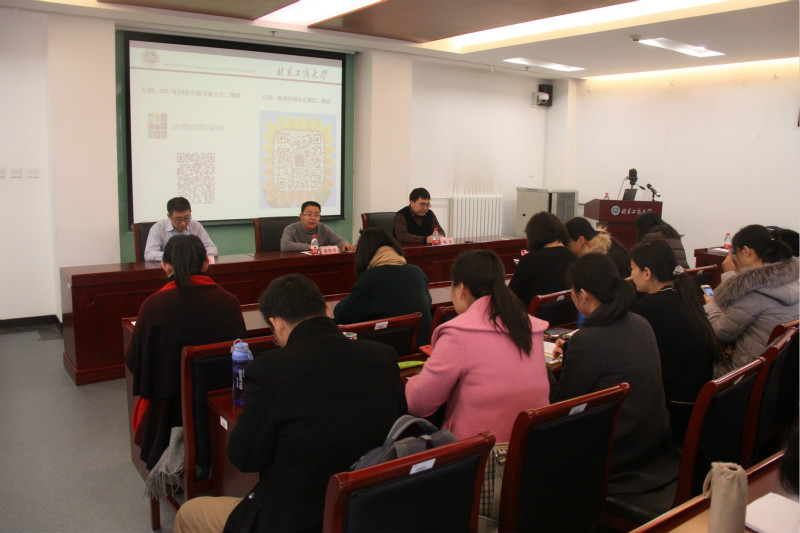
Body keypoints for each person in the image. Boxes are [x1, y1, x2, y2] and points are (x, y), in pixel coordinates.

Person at [173, 273, 406, 533]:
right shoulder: (383, 356)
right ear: (327, 309)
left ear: (277, 324)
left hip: (296, 518)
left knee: (189, 513)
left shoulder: (270, 370)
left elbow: (244, 458)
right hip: (367, 511)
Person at [551, 253, 671, 494]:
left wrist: (541, 368)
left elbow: (562, 408)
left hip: (615, 454)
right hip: (652, 442)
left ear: (583, 295)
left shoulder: (588, 340)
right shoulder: (641, 323)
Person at [125, 234, 246, 470]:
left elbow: (134, 362)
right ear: (206, 263)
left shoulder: (154, 305)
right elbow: (240, 355)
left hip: (168, 411)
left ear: (164, 265)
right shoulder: (229, 301)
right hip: (219, 401)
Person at [405, 250, 550, 442]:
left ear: (461, 289)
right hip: (531, 444)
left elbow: (418, 404)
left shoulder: (458, 333)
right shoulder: (529, 326)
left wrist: (414, 381)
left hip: (479, 451)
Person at [630, 239, 718, 443]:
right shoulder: (686, 296)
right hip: (695, 403)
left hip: (672, 411)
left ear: (647, 273)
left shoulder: (648, 307)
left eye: (632, 268)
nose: (631, 275)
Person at [704, 224, 799, 376]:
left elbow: (721, 332)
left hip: (743, 375)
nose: (734, 258)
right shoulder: (792, 280)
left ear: (746, 251)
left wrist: (712, 303)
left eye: (735, 253)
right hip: (777, 372)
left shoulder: (751, 291)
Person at [333, 227, 433, 345]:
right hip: (422, 347)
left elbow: (341, 314)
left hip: (386, 350)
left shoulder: (371, 277)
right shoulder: (417, 272)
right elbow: (428, 302)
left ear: (363, 253)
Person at [508, 211, 577, 309]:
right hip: (567, 317)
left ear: (534, 235)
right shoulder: (575, 258)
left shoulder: (530, 260)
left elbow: (511, 297)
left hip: (531, 317)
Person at [143, 197, 218, 261]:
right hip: (169, 268)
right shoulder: (158, 228)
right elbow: (149, 254)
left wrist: (193, 254)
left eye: (186, 218)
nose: (183, 223)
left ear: (190, 212)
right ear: (169, 216)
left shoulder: (196, 226)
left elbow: (212, 249)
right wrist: (176, 255)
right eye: (178, 219)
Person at [565, 216, 632, 277]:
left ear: (581, 240)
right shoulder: (609, 244)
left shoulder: (602, 260)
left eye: (567, 243)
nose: (565, 247)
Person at [280, 201, 355, 252]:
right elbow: (285, 245)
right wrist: (310, 247)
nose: (313, 218)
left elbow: (339, 240)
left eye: (316, 215)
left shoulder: (323, 228)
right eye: (309, 214)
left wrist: (345, 244)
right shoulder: (291, 229)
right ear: (301, 216)